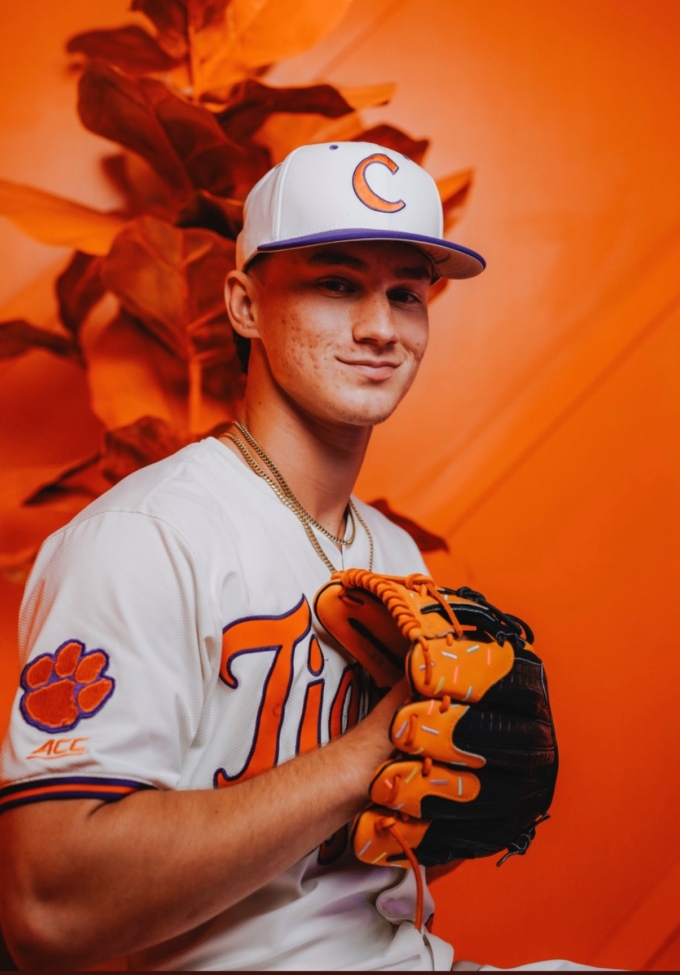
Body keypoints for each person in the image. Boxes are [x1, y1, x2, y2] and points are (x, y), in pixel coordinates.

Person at [0, 142, 607, 972]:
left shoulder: (391, 551)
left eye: (406, 293)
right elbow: (47, 912)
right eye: (337, 284)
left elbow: (356, 880)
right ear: (244, 305)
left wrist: (460, 802)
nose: (380, 328)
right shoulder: (145, 538)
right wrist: (377, 748)